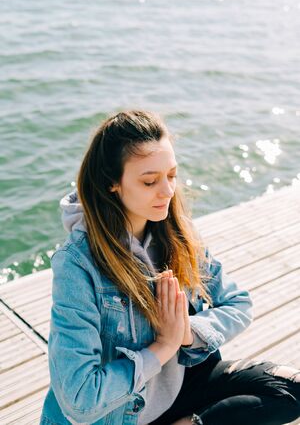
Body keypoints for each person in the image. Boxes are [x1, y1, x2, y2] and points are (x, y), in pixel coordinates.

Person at [40, 110, 300, 425]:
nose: (167, 191)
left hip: (179, 385)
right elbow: (79, 401)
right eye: (150, 181)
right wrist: (163, 347)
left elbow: (238, 302)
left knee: (290, 390)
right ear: (112, 183)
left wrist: (186, 333)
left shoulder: (177, 233)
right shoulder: (78, 264)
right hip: (123, 412)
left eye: (172, 175)